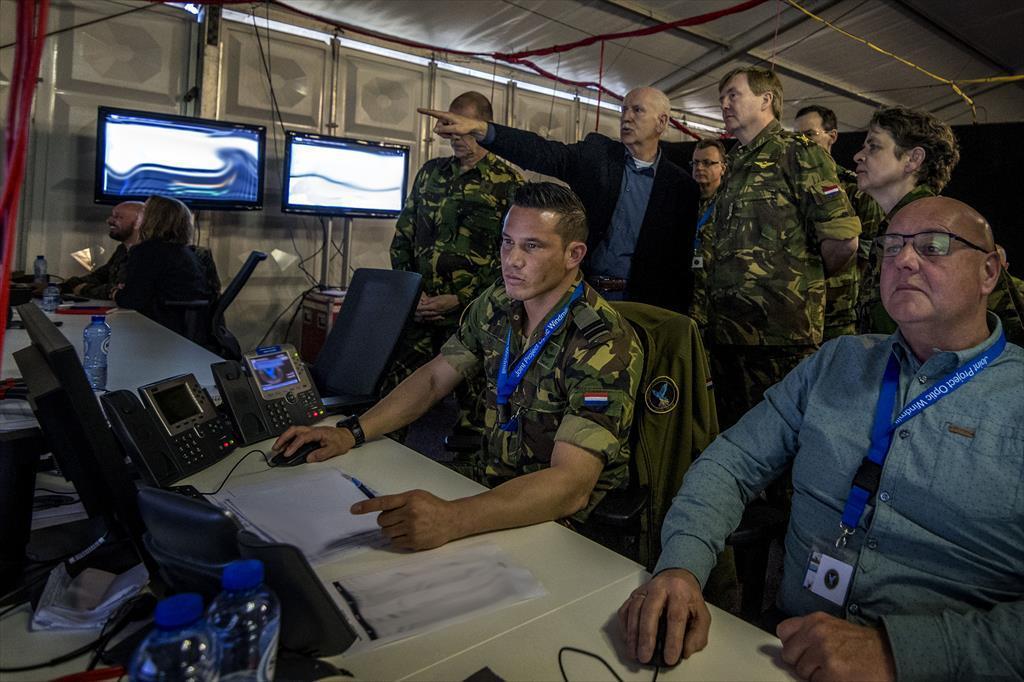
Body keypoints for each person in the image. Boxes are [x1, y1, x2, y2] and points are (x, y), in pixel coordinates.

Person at [619, 196, 1023, 681]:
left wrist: (903, 653)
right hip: (781, 649)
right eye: (891, 247)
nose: (904, 260)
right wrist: (681, 566)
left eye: (933, 246)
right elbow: (731, 461)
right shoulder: (839, 361)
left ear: (990, 271)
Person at [273, 183, 643, 551]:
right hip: (489, 482)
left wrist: (453, 519)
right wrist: (351, 432)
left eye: (532, 246)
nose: (512, 260)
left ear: (573, 254)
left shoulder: (602, 341)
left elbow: (571, 486)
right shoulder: (499, 302)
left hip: (560, 522)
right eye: (507, 242)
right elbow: (436, 377)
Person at [418, 87, 699, 313]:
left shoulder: (680, 185)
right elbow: (542, 151)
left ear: (662, 122)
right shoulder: (597, 155)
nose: (626, 117)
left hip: (644, 305)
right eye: (623, 109)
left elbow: (679, 262)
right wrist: (484, 130)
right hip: (584, 298)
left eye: (637, 110)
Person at [692, 66, 861, 431]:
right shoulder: (736, 161)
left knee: (779, 448)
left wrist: (799, 283)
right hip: (728, 335)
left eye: (733, 94)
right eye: (721, 97)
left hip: (779, 339)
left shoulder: (798, 153)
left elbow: (844, 238)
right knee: (736, 443)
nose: (723, 103)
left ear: (766, 99)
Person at [386, 92, 523, 405]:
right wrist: (412, 292)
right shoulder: (430, 174)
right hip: (420, 312)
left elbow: (512, 257)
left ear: (482, 127)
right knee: (398, 393)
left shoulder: (509, 183)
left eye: (461, 128)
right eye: (449, 128)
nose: (455, 136)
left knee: (473, 408)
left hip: (473, 316)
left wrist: (463, 299)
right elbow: (403, 237)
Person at [852, 106, 959, 334]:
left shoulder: (931, 229)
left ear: (913, 159)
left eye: (874, 146)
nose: (858, 156)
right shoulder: (898, 225)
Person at [794, 104, 884, 339]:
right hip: (796, 311)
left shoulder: (855, 189)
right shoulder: (788, 191)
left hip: (839, 315)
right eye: (796, 137)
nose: (802, 143)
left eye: (809, 135)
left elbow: (869, 256)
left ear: (832, 136)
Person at [113, 195, 209, 337]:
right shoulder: (187, 253)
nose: (139, 216)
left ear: (153, 218)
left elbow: (131, 301)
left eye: (144, 211)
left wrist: (116, 293)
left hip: (156, 335)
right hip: (184, 338)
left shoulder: (146, 251)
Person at [60, 201, 143, 300]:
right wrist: (58, 288)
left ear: (139, 222)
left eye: (118, 217)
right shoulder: (122, 249)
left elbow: (121, 289)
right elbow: (100, 277)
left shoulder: (147, 254)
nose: (109, 220)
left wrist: (84, 290)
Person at [690, 139, 727, 213]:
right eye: (696, 163)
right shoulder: (682, 200)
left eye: (707, 163)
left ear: (722, 169)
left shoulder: (730, 203)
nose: (699, 167)